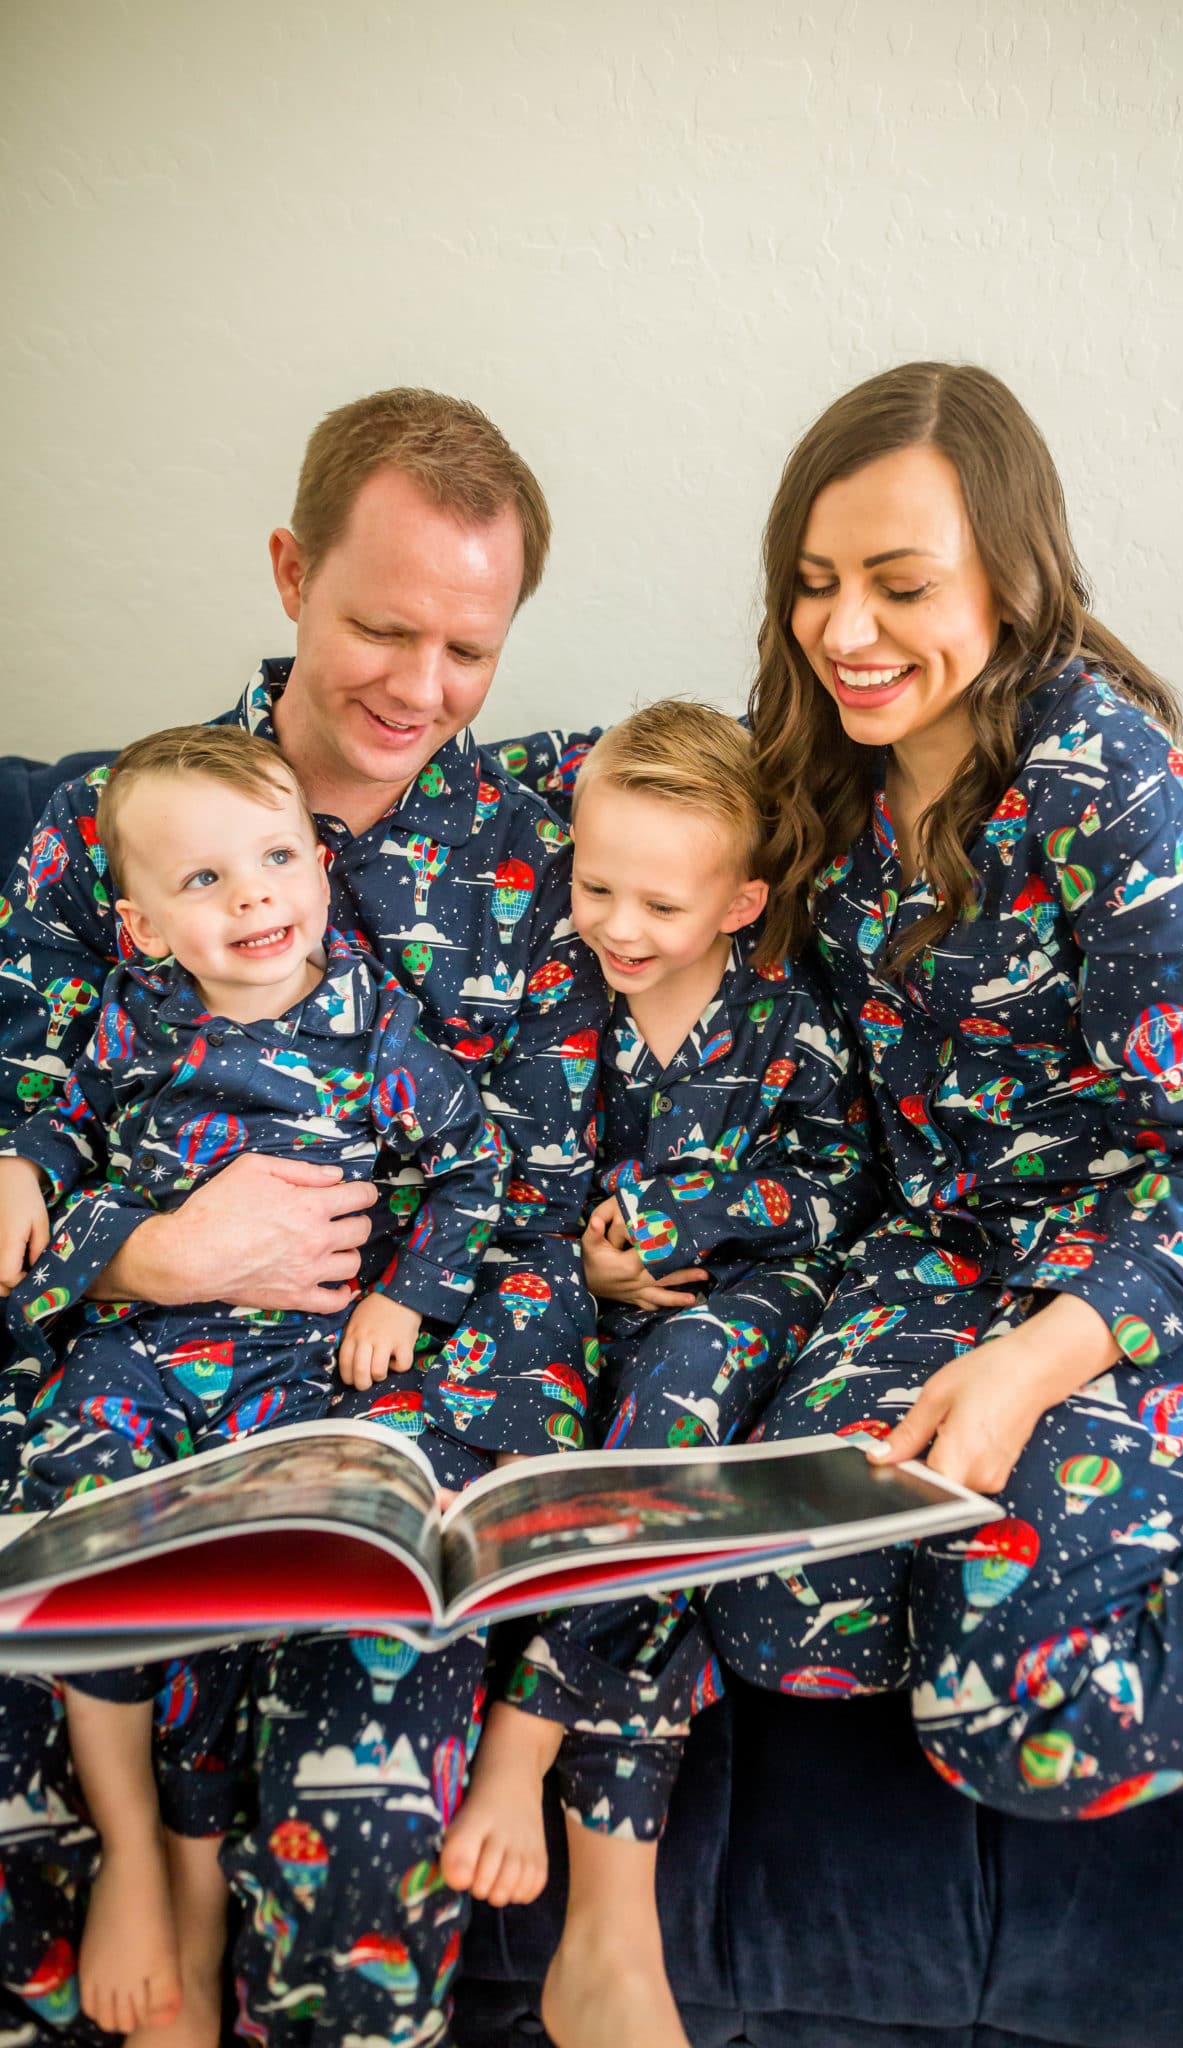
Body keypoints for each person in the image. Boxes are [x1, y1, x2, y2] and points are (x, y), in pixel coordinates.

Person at [0, 388, 607, 2044]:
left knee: (358, 1804)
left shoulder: (550, 841)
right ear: (288, 573)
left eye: (469, 647)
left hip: (405, 1397)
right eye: (382, 626)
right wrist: (136, 1250)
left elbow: (533, 1199)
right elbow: (19, 1134)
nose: (422, 687)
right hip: (131, 1360)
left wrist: (421, 1372)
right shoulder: (110, 829)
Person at [704, 360, 1183, 1817]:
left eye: (898, 584)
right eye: (812, 584)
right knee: (777, 1619)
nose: (845, 631)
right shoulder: (820, 773)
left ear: (1008, 576)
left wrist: (1027, 1373)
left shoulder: (1103, 780)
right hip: (951, 1251)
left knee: (1015, 1699)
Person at [0, 723, 505, 2042]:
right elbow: (70, 1111)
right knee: (86, 1559)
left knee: (256, 1584)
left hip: (297, 1371)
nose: (256, 897)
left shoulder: (373, 1025)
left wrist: (410, 1295)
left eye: (277, 858)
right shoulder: (137, 1015)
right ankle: (130, 1851)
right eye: (207, 882)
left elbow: (474, 1165)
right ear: (149, 924)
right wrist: (27, 1162)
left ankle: (196, 1860)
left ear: (324, 872)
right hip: (138, 1361)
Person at [438, 700, 880, 2048]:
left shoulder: (787, 1010)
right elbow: (512, 1173)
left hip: (738, 1290)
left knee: (680, 1412)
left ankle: (524, 1739)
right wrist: (585, 1269)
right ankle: (599, 1938)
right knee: (549, 1392)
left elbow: (836, 1181)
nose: (617, 926)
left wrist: (681, 1241)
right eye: (593, 886)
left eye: (659, 903)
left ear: (742, 900)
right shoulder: (561, 988)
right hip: (586, 1284)